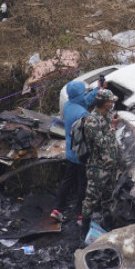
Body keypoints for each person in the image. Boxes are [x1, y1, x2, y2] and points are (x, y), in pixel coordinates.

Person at [52, 77, 100, 224]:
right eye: (83, 91)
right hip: (81, 154)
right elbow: (90, 135)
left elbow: (85, 101)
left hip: (70, 152)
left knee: (67, 181)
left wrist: (98, 89)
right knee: (82, 184)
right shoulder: (83, 114)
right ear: (79, 93)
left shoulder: (68, 105)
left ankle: (57, 210)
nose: (85, 93)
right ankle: (80, 215)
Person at [77, 89, 122, 244]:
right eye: (110, 101)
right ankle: (84, 230)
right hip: (98, 168)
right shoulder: (91, 121)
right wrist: (113, 127)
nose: (112, 104)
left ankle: (108, 223)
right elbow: (102, 143)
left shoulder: (108, 116)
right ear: (104, 102)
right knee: (91, 199)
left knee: (108, 198)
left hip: (111, 166)